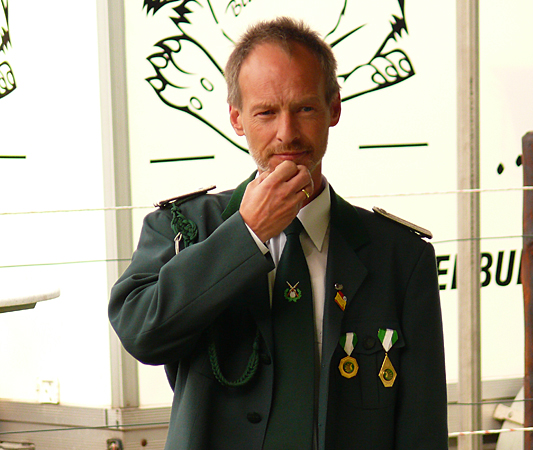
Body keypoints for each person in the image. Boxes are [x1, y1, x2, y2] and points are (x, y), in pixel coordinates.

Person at [109, 17, 448, 450]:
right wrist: (246, 234)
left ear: (334, 109)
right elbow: (141, 334)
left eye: (305, 109)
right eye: (266, 112)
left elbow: (422, 428)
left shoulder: (399, 256)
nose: (286, 133)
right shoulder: (185, 229)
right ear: (237, 119)